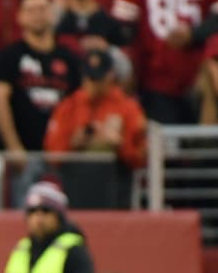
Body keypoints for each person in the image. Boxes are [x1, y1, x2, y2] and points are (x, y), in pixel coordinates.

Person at [0, 0, 82, 200]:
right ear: (19, 17)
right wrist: (13, 146)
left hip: (62, 155)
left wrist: (73, 144)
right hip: (25, 154)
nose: (37, 15)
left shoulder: (70, 59)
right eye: (31, 10)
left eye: (42, 9)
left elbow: (80, 101)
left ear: (52, 14)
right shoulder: (8, 57)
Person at [43, 49, 148, 208]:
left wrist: (119, 144)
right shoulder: (68, 107)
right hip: (74, 188)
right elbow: (51, 154)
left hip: (117, 187)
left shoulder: (128, 108)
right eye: (89, 78)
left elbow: (140, 157)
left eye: (98, 79)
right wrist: (73, 143)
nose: (92, 84)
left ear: (110, 75)